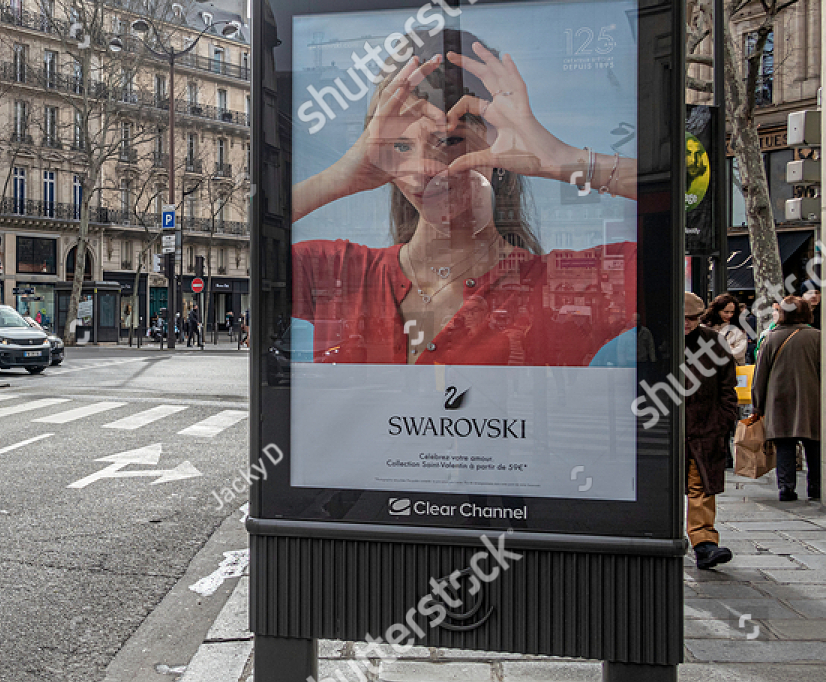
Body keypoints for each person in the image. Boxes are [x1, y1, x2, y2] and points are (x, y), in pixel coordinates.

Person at [292, 31, 639, 366]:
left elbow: (686, 201)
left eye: (449, 141)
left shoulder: (566, 287)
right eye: (400, 146)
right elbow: (256, 238)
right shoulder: (335, 272)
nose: (424, 169)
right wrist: (339, 177)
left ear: (498, 146)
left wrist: (559, 158)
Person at [682, 293, 739, 569]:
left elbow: (728, 385)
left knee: (701, 486)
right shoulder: (658, 339)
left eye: (691, 318)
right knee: (663, 487)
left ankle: (704, 543)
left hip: (705, 426)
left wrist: (724, 420)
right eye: (682, 318)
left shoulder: (714, 343)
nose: (686, 323)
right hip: (667, 429)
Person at [750, 295, 822, 502]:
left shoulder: (771, 338)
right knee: (814, 445)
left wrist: (757, 405)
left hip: (779, 400)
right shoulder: (817, 337)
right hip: (811, 399)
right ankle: (816, 487)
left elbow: (760, 374)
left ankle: (786, 487)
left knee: (784, 445)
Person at [700, 291, 748, 365]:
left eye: (732, 312)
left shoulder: (738, 330)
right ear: (717, 311)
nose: (729, 315)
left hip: (730, 372)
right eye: (726, 312)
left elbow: (739, 354)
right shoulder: (703, 328)